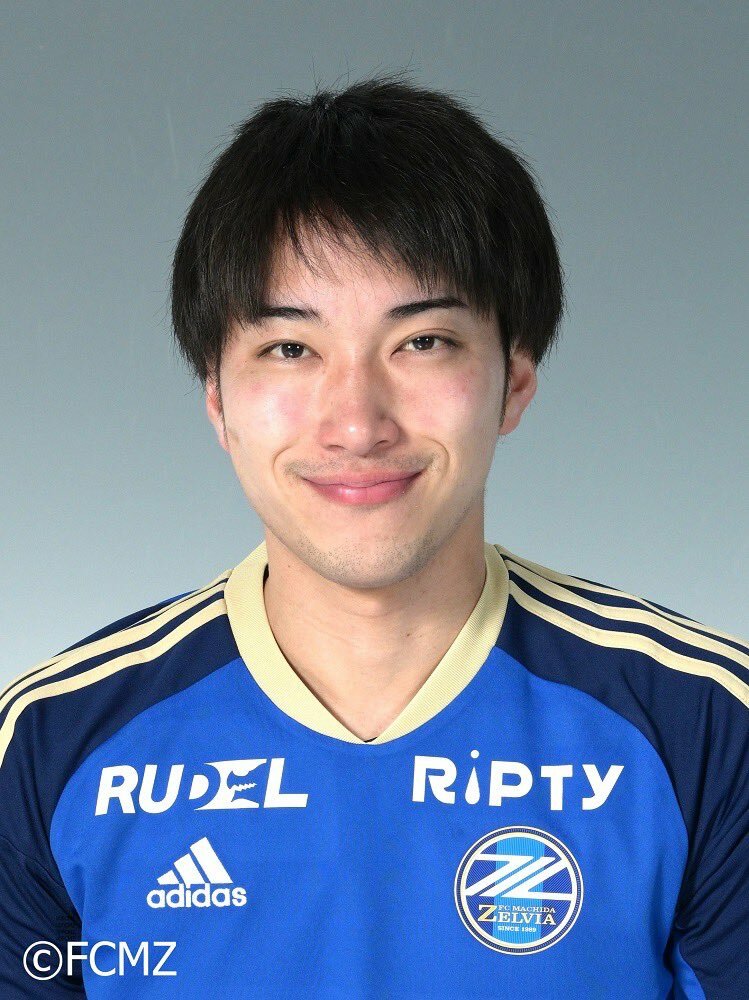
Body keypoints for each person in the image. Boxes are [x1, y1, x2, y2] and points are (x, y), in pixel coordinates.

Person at [0, 73, 746, 999]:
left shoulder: (704, 729)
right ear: (216, 398)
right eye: (289, 349)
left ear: (514, 381)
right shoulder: (50, 744)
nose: (356, 423)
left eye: (422, 342)